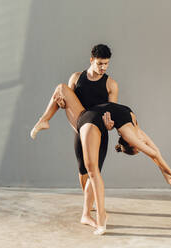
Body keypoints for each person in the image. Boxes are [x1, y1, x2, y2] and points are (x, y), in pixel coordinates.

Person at [30, 83, 171, 235]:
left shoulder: (134, 126)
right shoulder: (131, 134)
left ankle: (89, 215)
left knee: (92, 173)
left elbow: (155, 152)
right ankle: (100, 217)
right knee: (93, 173)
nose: (141, 145)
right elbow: (154, 153)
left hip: (87, 118)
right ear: (131, 144)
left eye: (138, 147)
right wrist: (168, 171)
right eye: (139, 147)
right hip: (87, 120)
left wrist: (165, 171)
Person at [56, 44, 118, 229]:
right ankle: (88, 202)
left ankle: (87, 210)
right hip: (80, 130)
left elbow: (111, 110)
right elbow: (68, 103)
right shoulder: (76, 78)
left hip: (99, 132)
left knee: (94, 172)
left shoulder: (111, 84)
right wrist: (60, 103)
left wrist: (110, 123)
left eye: (106, 64)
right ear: (91, 60)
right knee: (83, 171)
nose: (103, 68)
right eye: (100, 63)